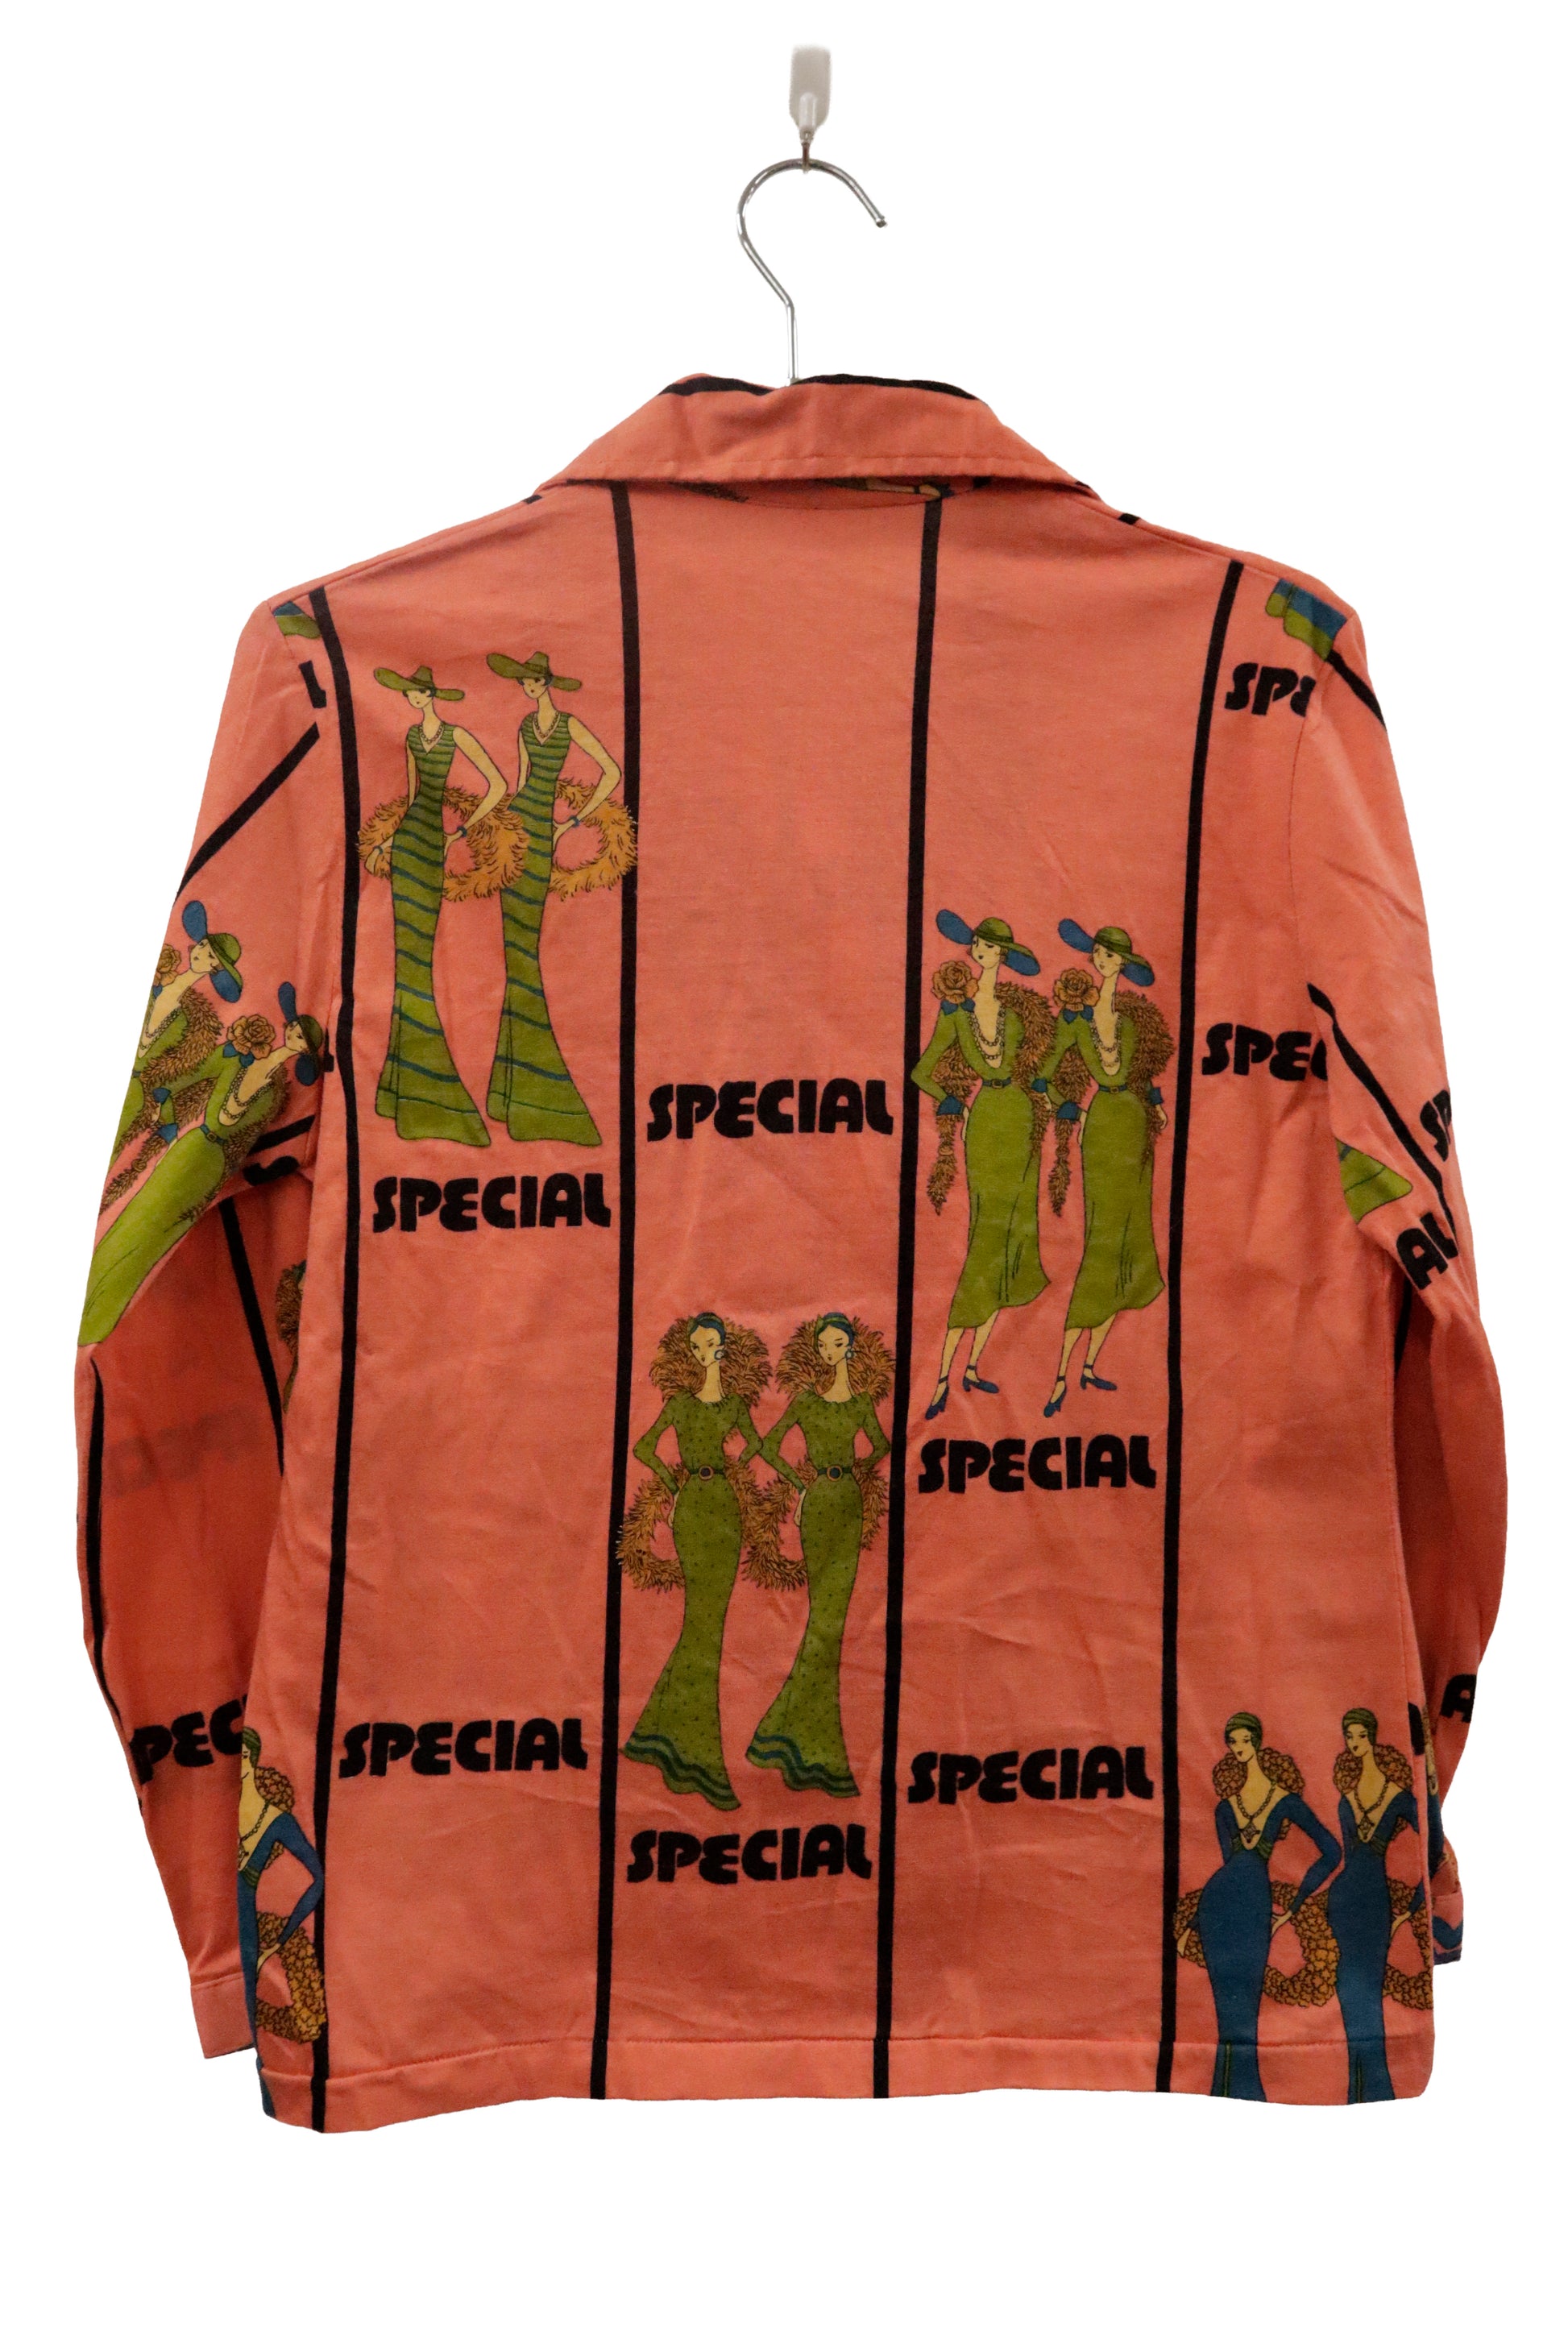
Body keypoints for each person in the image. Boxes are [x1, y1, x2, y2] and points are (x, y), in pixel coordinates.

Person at [81, 994, 324, 1343]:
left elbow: (238, 1127)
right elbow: (196, 1078)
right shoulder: (237, 1057)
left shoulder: (275, 1090)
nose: (295, 1040)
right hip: (194, 1145)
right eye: (296, 1032)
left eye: (303, 1040)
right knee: (139, 1219)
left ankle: (100, 1321)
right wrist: (166, 1114)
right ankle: (93, 1314)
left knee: (161, 1237)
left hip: (216, 1160)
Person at [622, 1314, 771, 1811]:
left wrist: (731, 1471)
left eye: (711, 1344)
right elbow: (644, 1448)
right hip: (692, 1509)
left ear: (724, 1347)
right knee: (700, 1624)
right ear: (691, 1352)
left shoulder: (734, 1404)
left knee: (709, 1624)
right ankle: (694, 1758)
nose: (706, 1352)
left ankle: (661, 1739)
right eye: (698, 1346)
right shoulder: (680, 1404)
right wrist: (674, 1484)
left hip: (724, 1506)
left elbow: (756, 1443)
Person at [911, 911, 1052, 1417]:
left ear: (1003, 956)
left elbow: (1045, 1060)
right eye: (977, 946)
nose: (980, 953)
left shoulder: (1017, 1012)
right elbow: (922, 1071)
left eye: (989, 948)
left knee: (1014, 1234)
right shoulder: (954, 1012)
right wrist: (956, 1101)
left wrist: (1047, 1095)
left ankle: (971, 1366)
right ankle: (941, 1376)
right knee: (985, 1237)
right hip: (986, 1118)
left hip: (1022, 1118)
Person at [483, 650, 623, 1147]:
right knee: (514, 957)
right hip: (519, 829)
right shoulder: (525, 726)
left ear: (548, 682)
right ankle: (508, 1093)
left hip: (544, 833)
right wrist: (503, 825)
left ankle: (534, 1095)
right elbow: (522, 781)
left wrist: (574, 821)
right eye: (523, 681)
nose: (528, 687)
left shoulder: (569, 725)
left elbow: (611, 772)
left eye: (534, 680)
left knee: (525, 956)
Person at [367, 663, 509, 1146]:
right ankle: (400, 1089)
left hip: (433, 846)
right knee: (405, 965)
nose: (414, 698)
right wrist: (390, 840)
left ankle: (424, 1093)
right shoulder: (411, 737)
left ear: (433, 695)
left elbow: (496, 784)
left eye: (420, 692)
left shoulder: (457, 735)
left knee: (420, 963)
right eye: (410, 693)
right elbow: (412, 796)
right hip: (408, 844)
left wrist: (460, 833)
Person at [751, 1314, 892, 1796]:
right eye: (823, 1345)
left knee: (833, 1619)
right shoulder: (806, 1401)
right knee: (822, 1619)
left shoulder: (861, 1403)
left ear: (849, 1347)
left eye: (836, 1344)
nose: (829, 1351)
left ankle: (787, 1735)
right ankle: (805, 1744)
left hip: (847, 1501)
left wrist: (852, 1473)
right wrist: (802, 1484)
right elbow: (770, 1447)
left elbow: (882, 1445)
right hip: (820, 1504)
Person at [1035, 920, 1171, 1415]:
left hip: (1136, 1124)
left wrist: (1156, 1106)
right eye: (1099, 954)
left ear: (1123, 966)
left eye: (1112, 957)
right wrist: (1068, 1106)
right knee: (1102, 1238)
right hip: (1102, 1125)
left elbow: (1145, 1072)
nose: (1103, 961)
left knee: (1132, 1236)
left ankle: (1089, 1365)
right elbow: (1044, 1075)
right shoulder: (1075, 1020)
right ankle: (1060, 1373)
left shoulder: (1133, 1018)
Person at [1183, 1712, 1341, 2101]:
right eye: (1232, 1742)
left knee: (1248, 2002)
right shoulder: (1225, 1808)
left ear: (1256, 1742)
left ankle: (1245, 2085)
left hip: (1255, 1905)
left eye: (1243, 1740)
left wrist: (1296, 1904)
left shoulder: (1286, 1802)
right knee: (1225, 2006)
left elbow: (1332, 1851)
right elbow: (1228, 1866)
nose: (1238, 1748)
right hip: (1219, 1903)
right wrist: (1194, 1923)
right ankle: (1221, 2086)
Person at [1327, 1707, 1425, 2101]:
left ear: (1372, 1736)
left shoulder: (1399, 1797)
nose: (1353, 1743)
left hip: (1375, 1901)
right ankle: (1354, 2079)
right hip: (1343, 1898)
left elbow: (1430, 1848)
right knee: (1345, 1984)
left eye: (1359, 1735)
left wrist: (1414, 1906)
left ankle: (1378, 2081)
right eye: (1348, 1736)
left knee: (1370, 1984)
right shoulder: (1345, 1799)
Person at [110, 901, 240, 1171]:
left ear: (215, 970)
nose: (202, 955)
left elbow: (185, 1071)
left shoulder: (194, 1020)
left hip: (137, 1095)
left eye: (211, 958)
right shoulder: (159, 974)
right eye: (204, 947)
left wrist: (161, 1102)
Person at [236, 1728, 326, 2055]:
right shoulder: (227, 1806)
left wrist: (283, 1936)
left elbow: (318, 1877)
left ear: (254, 1760)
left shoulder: (279, 1821)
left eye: (247, 1755)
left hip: (253, 1925)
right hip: (235, 1923)